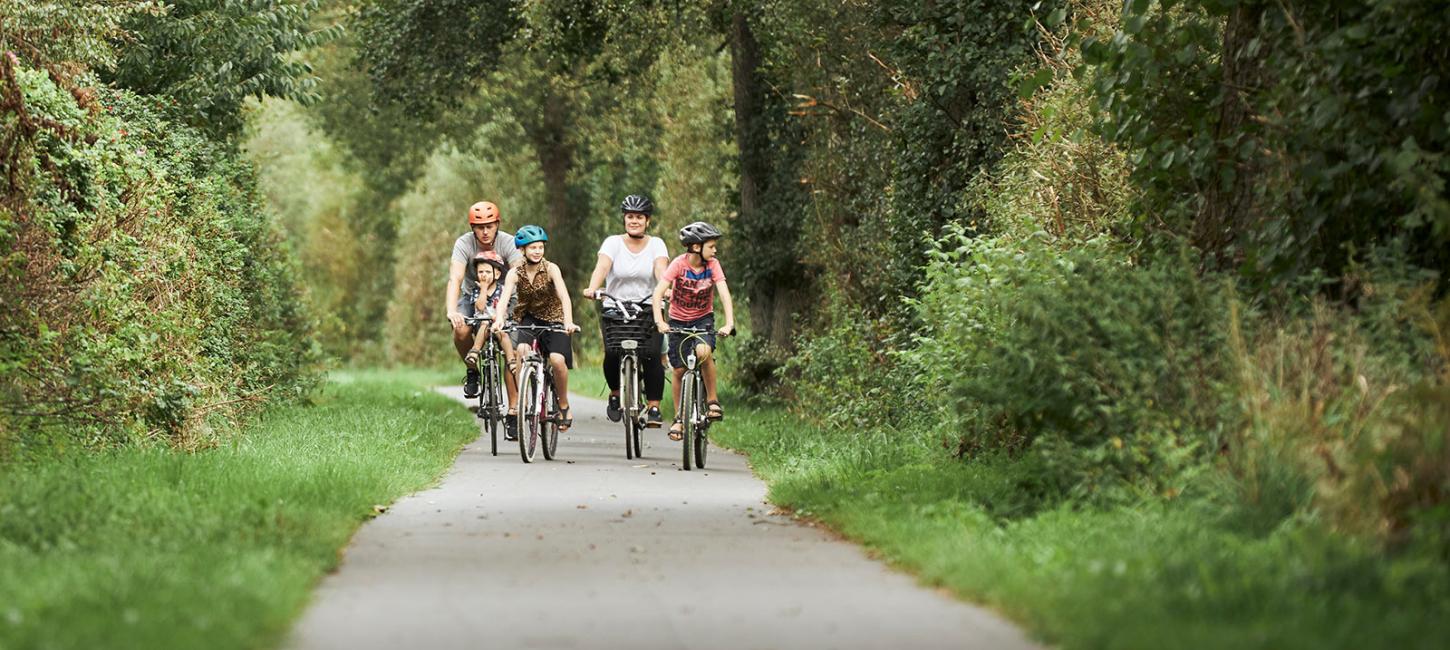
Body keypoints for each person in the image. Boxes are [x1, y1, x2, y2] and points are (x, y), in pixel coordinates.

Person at [582, 194, 669, 428]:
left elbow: (661, 270)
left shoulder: (657, 244)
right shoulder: (612, 243)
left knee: (651, 354)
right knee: (612, 352)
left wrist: (664, 289)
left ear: (647, 221)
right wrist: (593, 287)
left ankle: (653, 407)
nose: (634, 221)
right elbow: (602, 266)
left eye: (639, 217)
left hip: (648, 307)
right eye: (630, 216)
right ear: (624, 219)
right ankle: (615, 392)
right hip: (615, 306)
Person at [651, 221, 736, 441]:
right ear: (696, 247)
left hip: (703, 319)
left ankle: (712, 401)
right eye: (711, 246)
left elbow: (724, 293)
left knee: (703, 352)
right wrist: (660, 321)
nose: (715, 250)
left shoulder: (713, 265)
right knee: (678, 370)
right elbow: (658, 293)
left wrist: (729, 323)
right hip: (677, 321)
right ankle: (679, 418)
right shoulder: (679, 264)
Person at [491, 225, 581, 431]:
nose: (537, 251)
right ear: (522, 250)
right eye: (532, 248)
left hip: (555, 319)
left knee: (557, 361)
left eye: (540, 247)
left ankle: (564, 405)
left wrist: (568, 321)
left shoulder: (551, 269)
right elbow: (504, 300)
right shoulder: (515, 273)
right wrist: (498, 319)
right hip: (528, 318)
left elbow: (564, 297)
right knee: (521, 350)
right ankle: (524, 398)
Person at [446, 201, 522, 404]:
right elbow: (455, 277)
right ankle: (472, 371)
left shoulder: (508, 242)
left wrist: (508, 306)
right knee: (460, 330)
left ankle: (514, 410)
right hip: (473, 296)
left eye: (490, 226)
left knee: (511, 350)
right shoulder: (464, 244)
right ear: (473, 228)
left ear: (497, 224)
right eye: (480, 227)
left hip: (505, 297)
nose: (485, 232)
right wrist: (452, 310)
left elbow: (520, 272)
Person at [463, 251, 520, 437]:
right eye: (480, 272)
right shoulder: (476, 289)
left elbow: (509, 308)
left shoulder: (504, 289)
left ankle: (511, 360)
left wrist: (500, 317)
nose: (484, 275)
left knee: (501, 332)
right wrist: (483, 289)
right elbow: (479, 308)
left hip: (500, 325)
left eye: (488, 272)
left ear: (497, 273)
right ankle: (475, 351)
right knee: (486, 323)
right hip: (483, 326)